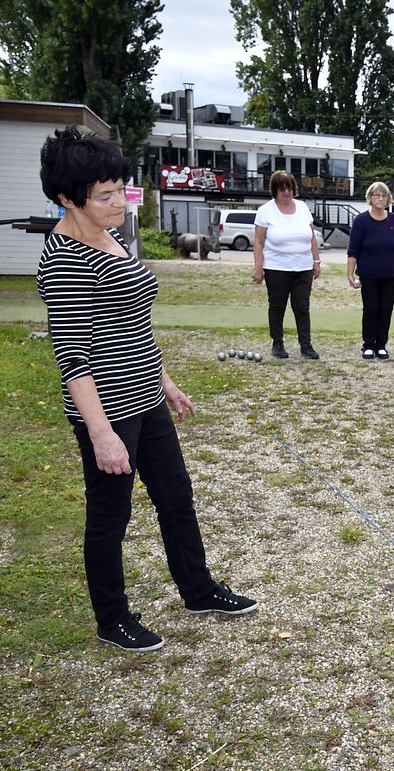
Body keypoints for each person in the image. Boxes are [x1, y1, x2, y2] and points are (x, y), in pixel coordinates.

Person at [37, 127, 258, 653]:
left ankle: (198, 591)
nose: (118, 202)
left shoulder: (113, 235)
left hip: (146, 396)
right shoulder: (65, 257)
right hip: (107, 410)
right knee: (110, 516)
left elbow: (129, 322)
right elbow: (74, 358)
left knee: (176, 497)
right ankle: (111, 618)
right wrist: (102, 435)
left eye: (121, 188)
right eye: (104, 194)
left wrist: (166, 382)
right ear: (68, 197)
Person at [252, 170, 322, 360]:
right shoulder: (265, 211)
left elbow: (312, 237)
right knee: (277, 306)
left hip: (303, 267)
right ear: (275, 190)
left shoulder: (302, 208)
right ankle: (278, 343)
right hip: (276, 267)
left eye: (289, 188)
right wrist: (258, 268)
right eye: (282, 188)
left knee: (301, 306)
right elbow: (258, 242)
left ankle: (306, 345)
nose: (286, 192)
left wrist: (316, 261)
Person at [347, 181, 394, 360]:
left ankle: (381, 345)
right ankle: (368, 345)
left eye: (384, 195)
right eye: (377, 195)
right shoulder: (361, 220)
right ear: (370, 198)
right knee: (371, 309)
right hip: (368, 274)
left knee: (386, 309)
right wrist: (350, 274)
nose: (380, 198)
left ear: (388, 199)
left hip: (390, 274)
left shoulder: (393, 219)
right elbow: (353, 250)